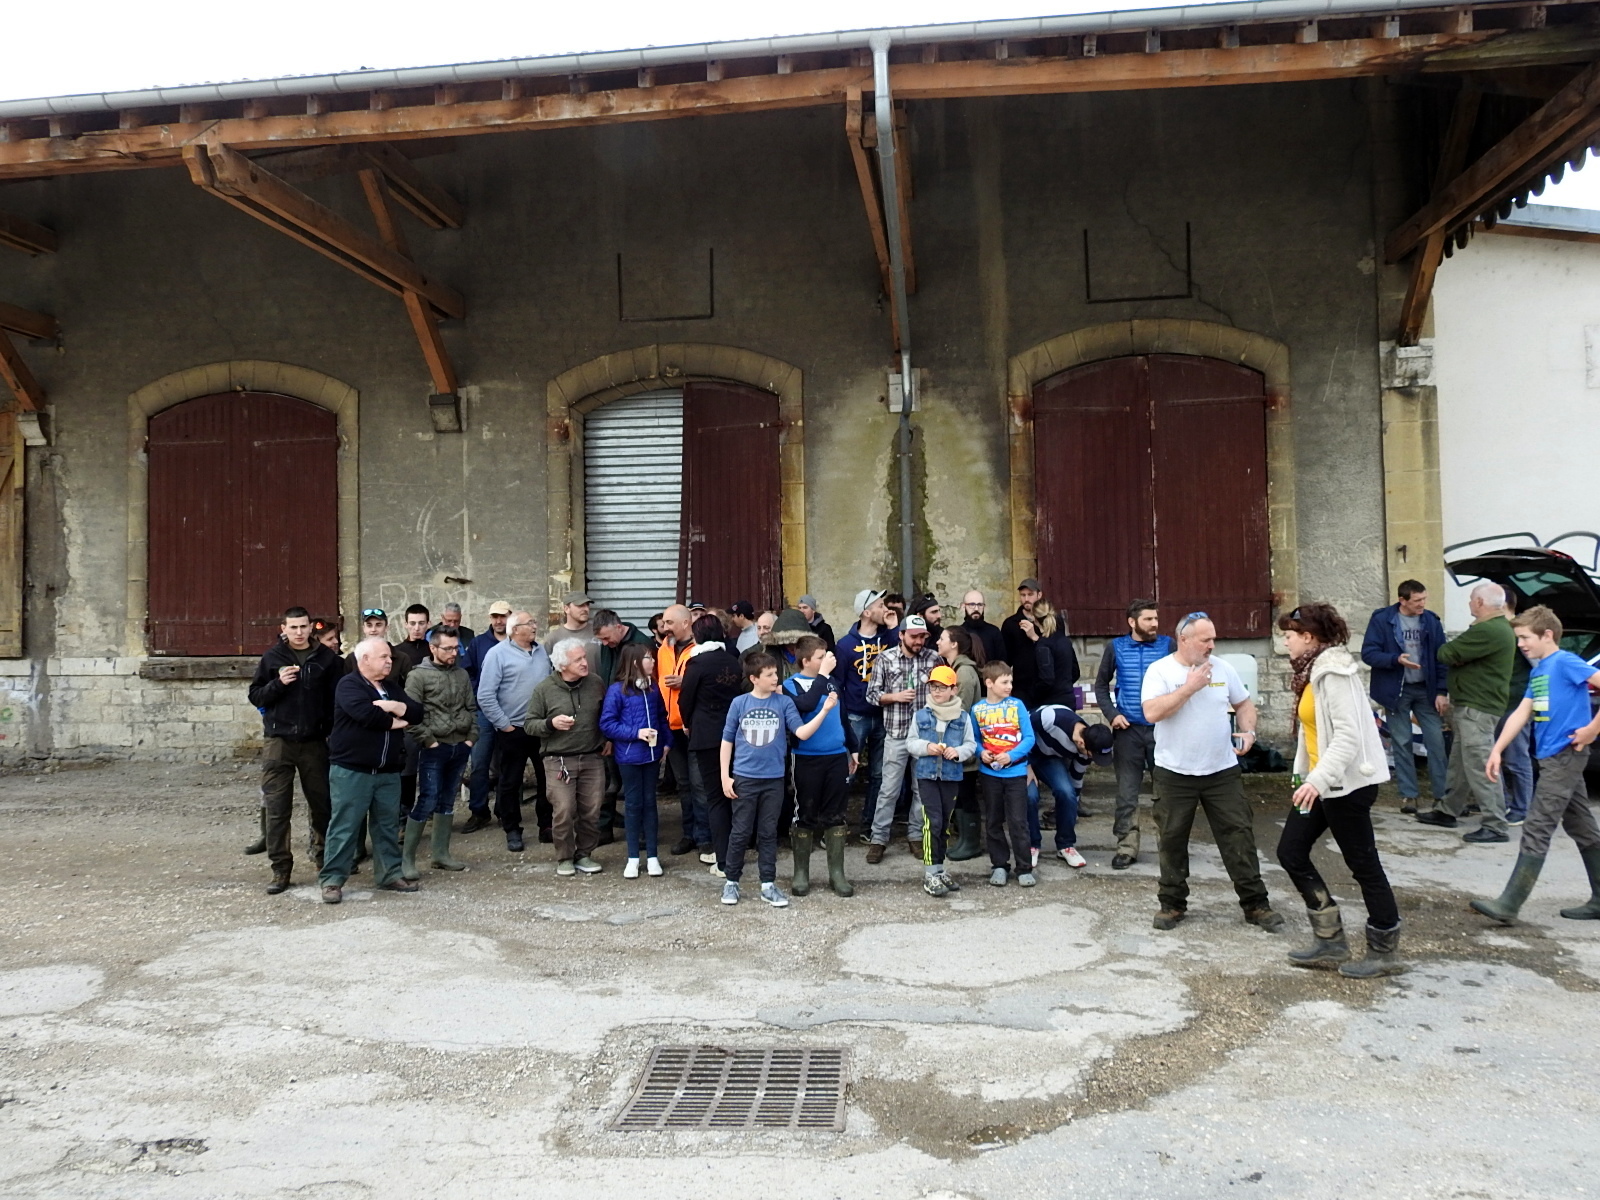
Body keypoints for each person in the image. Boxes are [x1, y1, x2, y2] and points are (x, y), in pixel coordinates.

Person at [1274, 602, 1406, 977]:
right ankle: (1330, 939)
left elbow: (1348, 737)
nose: (1285, 642)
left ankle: (1384, 951)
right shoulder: (1310, 671)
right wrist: (1305, 777)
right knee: (1290, 851)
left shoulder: (1334, 672)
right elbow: (1313, 735)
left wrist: (1316, 781)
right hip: (1320, 784)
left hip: (1346, 786)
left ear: (1308, 637)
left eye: (1289, 635)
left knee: (1363, 865)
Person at [1141, 612, 1283, 932]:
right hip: (1174, 772)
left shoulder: (1224, 668)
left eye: (1213, 639)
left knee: (1238, 835)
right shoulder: (1160, 671)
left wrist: (1248, 732)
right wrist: (1189, 688)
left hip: (1221, 771)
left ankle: (1256, 904)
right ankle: (1172, 904)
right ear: (1184, 640)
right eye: (1205, 640)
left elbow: (1244, 705)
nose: (1212, 646)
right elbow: (1151, 713)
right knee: (1172, 838)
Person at [1474, 605, 1600, 924]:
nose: (1520, 645)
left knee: (1537, 825)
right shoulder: (1540, 670)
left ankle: (1509, 904)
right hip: (1551, 757)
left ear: (1547, 635)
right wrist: (1497, 750)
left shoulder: (1565, 662)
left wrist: (1592, 729)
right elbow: (1521, 712)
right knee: (1581, 826)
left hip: (1565, 755)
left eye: (1525, 638)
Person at [719, 652, 836, 907]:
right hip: (744, 777)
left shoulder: (784, 703)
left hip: (774, 778)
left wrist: (825, 710)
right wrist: (725, 777)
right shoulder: (739, 703)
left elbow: (801, 732)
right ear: (754, 678)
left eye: (776, 673)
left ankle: (768, 884)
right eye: (769, 674)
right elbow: (727, 740)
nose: (776, 678)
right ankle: (731, 882)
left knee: (768, 832)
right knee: (740, 831)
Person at [319, 638, 423, 904]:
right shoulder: (349, 685)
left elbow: (417, 713)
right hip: (352, 771)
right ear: (364, 659)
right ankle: (332, 880)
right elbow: (367, 715)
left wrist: (395, 707)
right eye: (384, 657)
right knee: (345, 826)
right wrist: (396, 720)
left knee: (387, 826)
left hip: (388, 771)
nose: (390, 661)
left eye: (390, 657)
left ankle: (389, 874)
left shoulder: (390, 687)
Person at [245, 606, 340, 893]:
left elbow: (337, 700)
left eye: (303, 627)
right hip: (279, 741)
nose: (299, 632)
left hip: (314, 742)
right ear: (283, 629)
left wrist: (330, 732)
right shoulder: (272, 657)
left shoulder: (327, 659)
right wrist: (278, 683)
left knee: (322, 805)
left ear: (311, 628)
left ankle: (324, 861)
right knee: (277, 808)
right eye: (293, 627)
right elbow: (256, 695)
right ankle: (280, 869)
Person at [1419, 582, 1517, 842]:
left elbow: (1446, 653)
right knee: (1461, 763)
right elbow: (1454, 655)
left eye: (1472, 599)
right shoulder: (1495, 628)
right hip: (1473, 705)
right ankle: (1447, 810)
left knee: (1481, 765)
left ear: (1481, 603)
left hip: (1478, 707)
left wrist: (1457, 656)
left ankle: (1495, 825)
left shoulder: (1488, 630)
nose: (1469, 603)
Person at [1094, 599, 1175, 870]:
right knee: (1127, 793)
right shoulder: (1115, 647)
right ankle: (1126, 847)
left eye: (1156, 619)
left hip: (1162, 730)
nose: (1154, 624)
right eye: (1148, 619)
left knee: (1166, 792)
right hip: (1127, 732)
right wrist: (1112, 714)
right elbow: (1101, 685)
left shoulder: (1168, 645)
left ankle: (1170, 848)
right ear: (1132, 622)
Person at [1361, 580, 1449, 813]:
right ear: (1402, 600)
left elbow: (1441, 658)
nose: (1422, 604)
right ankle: (1409, 796)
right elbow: (1368, 653)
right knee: (1402, 742)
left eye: (1424, 599)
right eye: (1417, 600)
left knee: (1436, 742)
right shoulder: (1382, 619)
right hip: (1396, 690)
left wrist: (1442, 691)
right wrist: (1395, 659)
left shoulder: (1431, 620)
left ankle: (1442, 797)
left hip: (1426, 690)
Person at [783, 636, 859, 898]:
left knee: (836, 813)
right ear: (806, 661)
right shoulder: (789, 685)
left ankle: (837, 873)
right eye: (821, 656)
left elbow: (842, 715)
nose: (828, 659)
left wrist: (853, 746)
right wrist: (823, 675)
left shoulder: (831, 681)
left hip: (836, 756)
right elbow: (805, 705)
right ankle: (801, 873)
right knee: (804, 812)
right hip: (806, 758)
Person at [527, 639, 609, 876]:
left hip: (592, 757)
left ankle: (584, 854)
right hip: (558, 760)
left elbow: (607, 715)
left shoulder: (596, 683)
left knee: (592, 810)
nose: (585, 663)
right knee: (564, 810)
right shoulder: (544, 689)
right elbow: (529, 724)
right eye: (578, 660)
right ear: (562, 665)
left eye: (584, 657)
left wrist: (608, 738)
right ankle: (564, 857)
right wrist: (550, 724)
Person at [400, 628, 475, 880]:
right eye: (448, 648)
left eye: (456, 648)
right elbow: (410, 715)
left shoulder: (461, 674)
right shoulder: (418, 676)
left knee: (447, 799)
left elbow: (472, 708)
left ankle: (440, 854)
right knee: (427, 799)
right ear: (433, 648)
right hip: (433, 747)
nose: (454, 653)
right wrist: (429, 741)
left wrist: (471, 738)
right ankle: (407, 859)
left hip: (460, 745)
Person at [865, 613, 940, 862]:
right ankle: (878, 839)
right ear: (901, 635)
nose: (919, 641)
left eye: (923, 637)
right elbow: (871, 695)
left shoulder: (933, 658)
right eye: (914, 636)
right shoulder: (885, 659)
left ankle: (915, 836)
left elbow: (944, 691)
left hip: (925, 736)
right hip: (896, 734)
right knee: (888, 790)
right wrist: (894, 697)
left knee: (921, 789)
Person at [476, 611, 552, 852]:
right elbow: (485, 695)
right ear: (515, 629)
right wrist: (504, 725)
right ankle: (512, 829)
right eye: (530, 623)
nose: (535, 626)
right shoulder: (497, 654)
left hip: (541, 728)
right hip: (513, 729)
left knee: (547, 779)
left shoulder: (541, 652)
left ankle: (546, 825)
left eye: (534, 622)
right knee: (510, 782)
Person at [678, 612, 746, 878]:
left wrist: (688, 723)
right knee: (734, 794)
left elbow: (685, 700)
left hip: (706, 735)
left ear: (698, 636)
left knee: (715, 798)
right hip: (735, 734)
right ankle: (736, 854)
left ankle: (724, 860)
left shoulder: (697, 663)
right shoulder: (732, 660)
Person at [599, 642, 669, 879]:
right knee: (632, 804)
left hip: (652, 756)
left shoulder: (653, 688)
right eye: (648, 658)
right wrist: (635, 733)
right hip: (629, 757)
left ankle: (652, 856)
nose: (653, 661)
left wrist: (666, 743)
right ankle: (632, 858)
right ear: (635, 663)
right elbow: (607, 723)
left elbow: (661, 717)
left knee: (650, 804)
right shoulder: (617, 691)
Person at [906, 664, 977, 896]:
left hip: (951, 776)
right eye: (933, 687)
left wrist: (958, 752)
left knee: (944, 823)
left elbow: (971, 745)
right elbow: (911, 743)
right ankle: (930, 873)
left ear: (953, 690)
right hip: (927, 776)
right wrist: (927, 747)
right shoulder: (921, 715)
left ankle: (939, 868)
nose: (936, 691)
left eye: (942, 687)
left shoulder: (963, 717)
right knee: (932, 822)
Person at [971, 661, 1036, 887]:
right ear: (989, 683)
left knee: (1018, 821)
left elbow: (1029, 738)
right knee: (993, 820)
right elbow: (974, 739)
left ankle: (1024, 867)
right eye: (1005, 682)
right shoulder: (977, 709)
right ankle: (999, 865)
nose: (1010, 686)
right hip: (989, 774)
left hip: (1015, 773)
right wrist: (981, 752)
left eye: (1011, 681)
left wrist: (1011, 755)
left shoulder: (1017, 705)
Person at [833, 589, 889, 842]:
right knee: (848, 772)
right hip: (856, 716)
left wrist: (893, 626)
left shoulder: (889, 638)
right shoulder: (845, 645)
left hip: (885, 714)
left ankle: (869, 826)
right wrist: (843, 718)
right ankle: (836, 826)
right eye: (880, 605)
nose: (885, 609)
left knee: (879, 774)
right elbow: (838, 684)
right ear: (867, 612)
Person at [656, 604, 712, 860]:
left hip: (694, 726)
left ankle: (705, 837)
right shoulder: (663, 649)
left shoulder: (701, 648)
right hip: (671, 726)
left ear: (685, 623)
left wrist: (685, 682)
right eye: (664, 622)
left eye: (669, 622)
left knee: (699, 785)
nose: (664, 627)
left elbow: (709, 684)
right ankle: (689, 834)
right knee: (684, 785)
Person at [1029, 704, 1109, 870]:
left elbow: (1076, 779)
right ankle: (1031, 844)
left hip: (1049, 757)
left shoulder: (1088, 749)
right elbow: (1019, 730)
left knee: (1067, 792)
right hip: (1023, 754)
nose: (1092, 759)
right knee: (1030, 795)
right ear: (1081, 742)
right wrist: (1025, 765)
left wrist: (1071, 806)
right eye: (1091, 755)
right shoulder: (1052, 718)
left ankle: (1065, 845)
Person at [460, 600, 513, 833]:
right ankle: (479, 811)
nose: (499, 621)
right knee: (480, 764)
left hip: (510, 713)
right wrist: (479, 692)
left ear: (510, 617)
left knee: (506, 765)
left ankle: (504, 810)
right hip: (483, 712)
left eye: (503, 616)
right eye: (495, 617)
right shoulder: (478, 643)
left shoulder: (517, 643)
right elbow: (467, 671)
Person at [936, 625, 986, 861]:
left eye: (942, 638)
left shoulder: (964, 673)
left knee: (966, 794)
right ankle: (965, 840)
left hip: (963, 747)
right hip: (957, 745)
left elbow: (959, 712)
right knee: (961, 795)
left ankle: (971, 843)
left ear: (954, 644)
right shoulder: (956, 669)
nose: (938, 642)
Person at [1496, 596, 1534, 826]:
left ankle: (1521, 808)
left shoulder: (1521, 632)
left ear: (1502, 604)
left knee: (1516, 758)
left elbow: (1539, 666)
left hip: (1517, 704)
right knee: (1496, 758)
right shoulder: (1501, 630)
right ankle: (1503, 804)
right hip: (1497, 703)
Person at [1001, 578, 1044, 706]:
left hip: (1045, 686)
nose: (1026, 599)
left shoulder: (1049, 622)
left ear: (1039, 595)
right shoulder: (1010, 624)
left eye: (1030, 595)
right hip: (1021, 688)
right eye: (1023, 595)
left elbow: (1056, 651)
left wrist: (1035, 637)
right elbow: (1005, 660)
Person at [1031, 597, 1079, 708]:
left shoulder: (1043, 645)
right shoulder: (1065, 640)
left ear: (1035, 619)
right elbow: (1075, 672)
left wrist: (1033, 693)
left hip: (1050, 703)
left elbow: (1047, 679)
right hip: (1068, 699)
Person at [958, 589, 1006, 665]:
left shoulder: (994, 632)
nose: (976, 609)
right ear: (964, 606)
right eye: (972, 604)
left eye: (980, 605)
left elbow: (1002, 664)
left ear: (984, 607)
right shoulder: (958, 633)